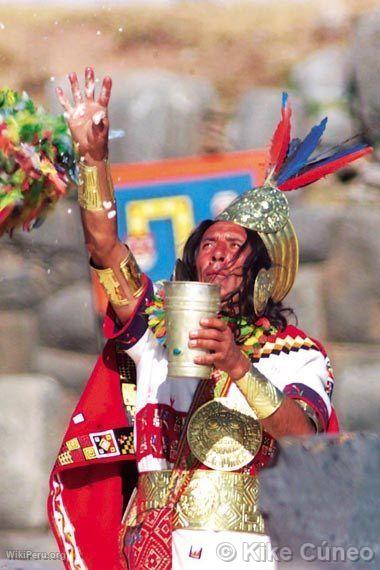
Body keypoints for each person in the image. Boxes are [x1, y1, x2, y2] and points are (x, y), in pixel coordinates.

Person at [48, 68, 371, 570]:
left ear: (264, 270)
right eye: (208, 245)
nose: (217, 256)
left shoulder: (297, 355)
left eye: (234, 247)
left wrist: (239, 366)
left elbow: (307, 442)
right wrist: (94, 158)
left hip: (242, 554)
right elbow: (105, 247)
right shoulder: (153, 331)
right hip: (147, 553)